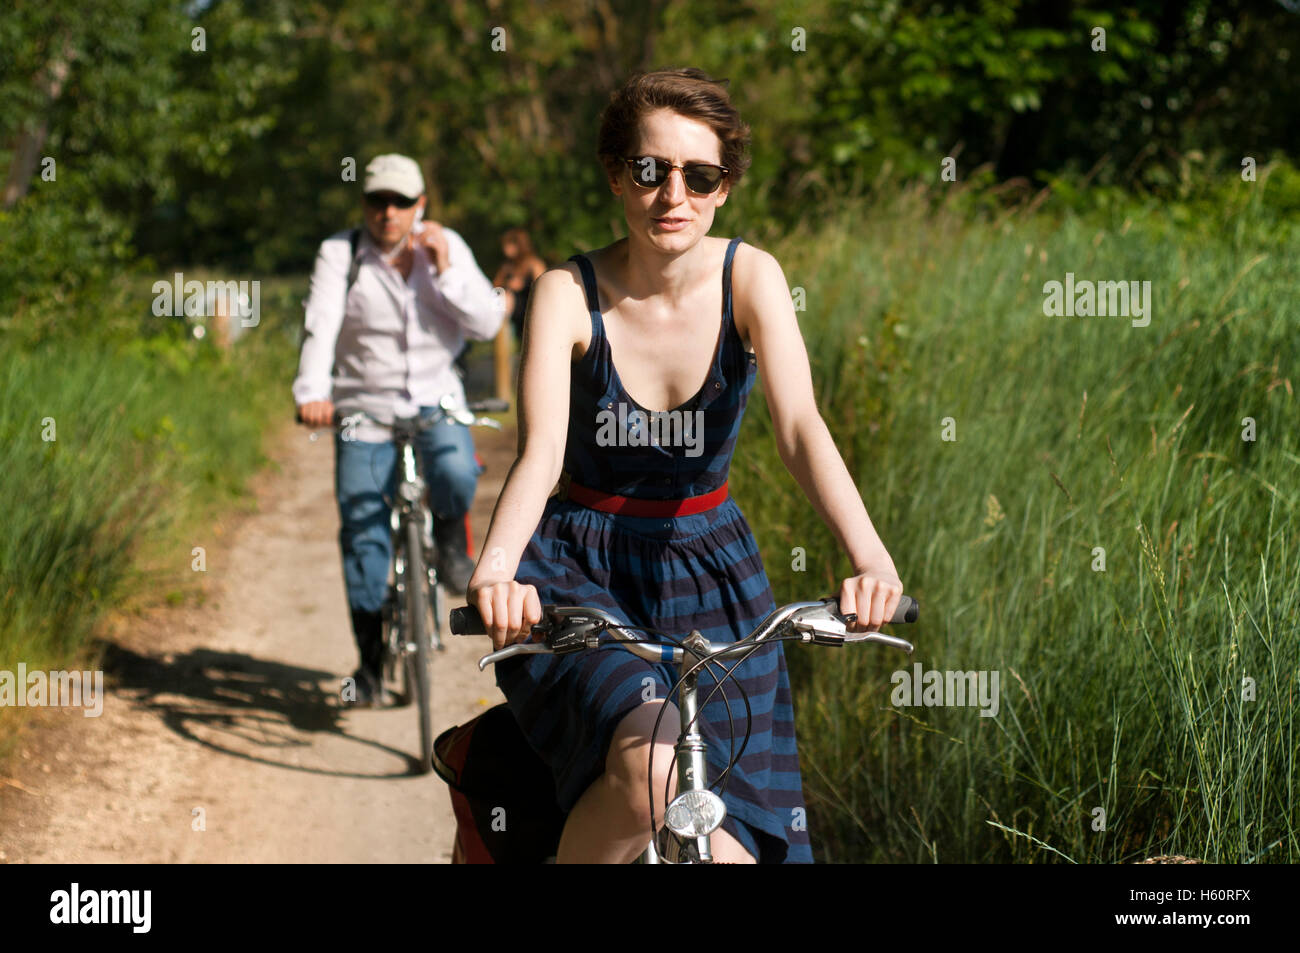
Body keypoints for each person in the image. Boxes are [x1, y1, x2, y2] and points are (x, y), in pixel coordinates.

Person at [466, 68, 904, 863]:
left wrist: (870, 559)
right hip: (584, 565)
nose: (674, 193)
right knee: (654, 776)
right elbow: (540, 455)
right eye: (650, 169)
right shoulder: (568, 291)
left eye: (700, 175)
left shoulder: (751, 276)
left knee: (733, 846)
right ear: (615, 175)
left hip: (716, 575)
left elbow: (802, 429)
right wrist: (496, 571)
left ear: (724, 187)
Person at [294, 153, 502, 707]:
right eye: (377, 201)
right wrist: (311, 393)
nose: (388, 212)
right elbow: (321, 324)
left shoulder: (446, 245)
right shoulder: (341, 255)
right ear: (364, 204)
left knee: (457, 471)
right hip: (364, 408)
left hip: (437, 401)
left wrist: (447, 270)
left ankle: (453, 543)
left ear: (420, 206)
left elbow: (488, 320)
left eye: (401, 202)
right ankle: (369, 666)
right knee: (364, 535)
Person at [493, 227, 547, 344]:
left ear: (519, 245)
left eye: (507, 245)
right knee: (499, 296)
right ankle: (498, 334)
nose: (504, 249)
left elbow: (544, 290)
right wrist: (507, 284)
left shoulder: (534, 264)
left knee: (504, 299)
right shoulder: (507, 266)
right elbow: (495, 288)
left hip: (530, 308)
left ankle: (498, 333)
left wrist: (522, 284)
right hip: (512, 311)